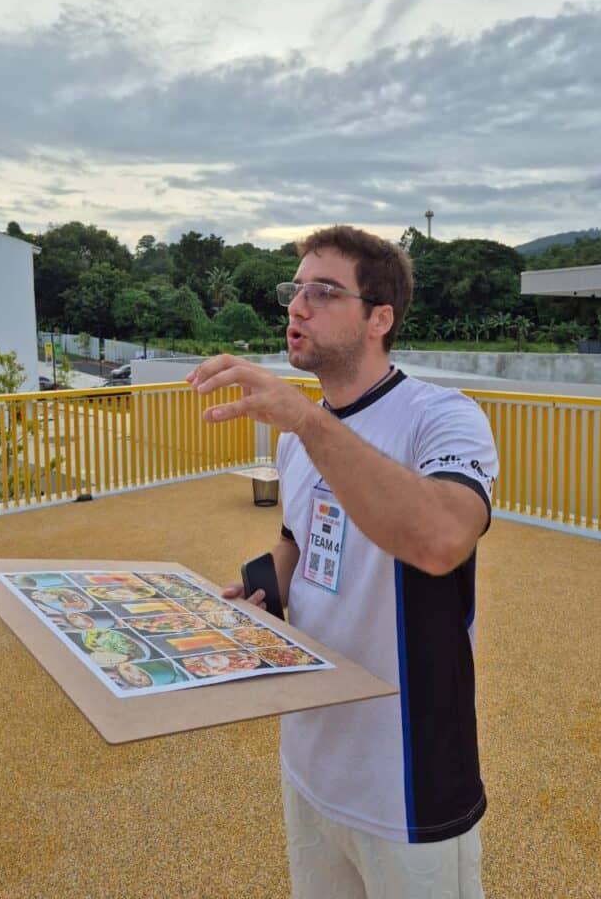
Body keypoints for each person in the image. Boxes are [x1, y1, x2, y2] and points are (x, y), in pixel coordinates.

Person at [187, 225, 499, 899]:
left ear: (379, 318)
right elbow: (300, 541)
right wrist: (258, 591)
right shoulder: (299, 438)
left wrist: (307, 422)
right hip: (310, 761)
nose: (298, 306)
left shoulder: (442, 418)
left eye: (324, 292)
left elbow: (443, 538)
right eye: (295, 289)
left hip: (407, 780)